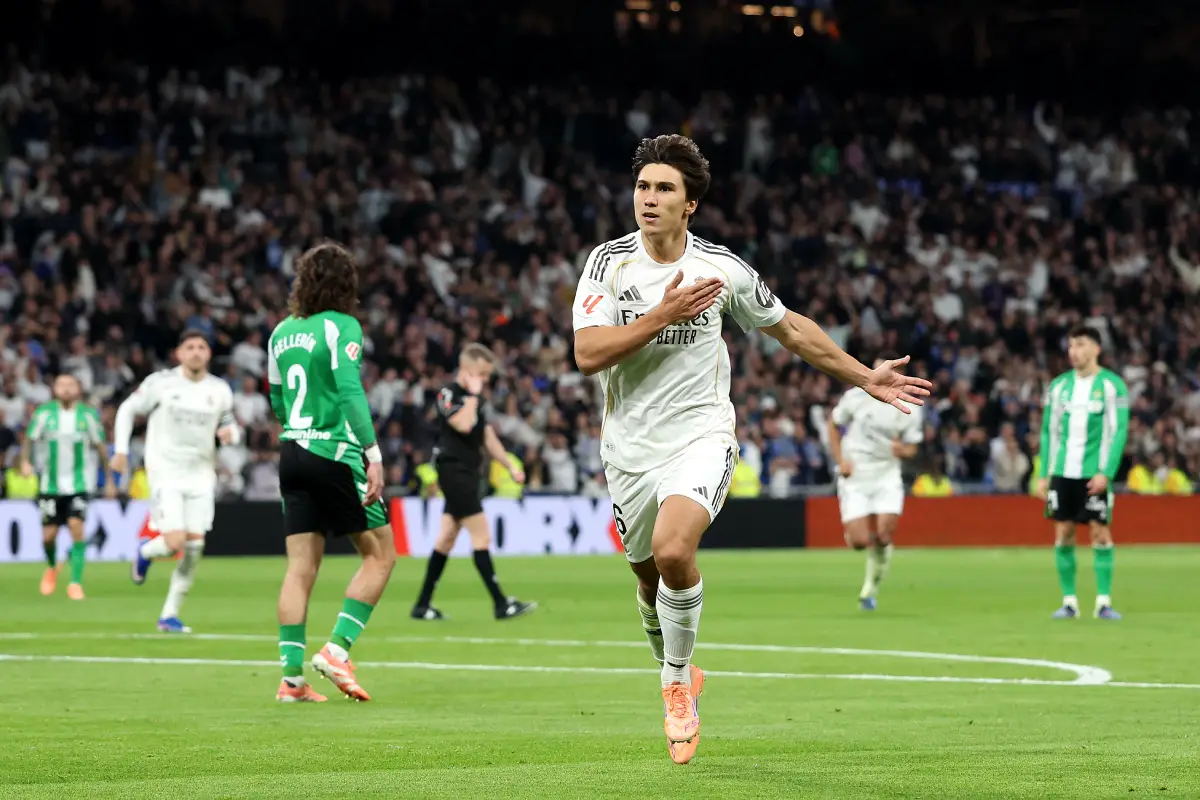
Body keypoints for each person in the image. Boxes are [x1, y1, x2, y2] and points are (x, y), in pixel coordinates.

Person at [571, 134, 931, 765]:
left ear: (690, 206)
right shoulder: (608, 265)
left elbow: (789, 327)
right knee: (647, 577)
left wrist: (862, 376)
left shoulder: (722, 268)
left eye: (664, 190)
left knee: (674, 548)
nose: (648, 200)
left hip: (702, 433)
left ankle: (676, 683)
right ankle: (674, 657)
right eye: (642, 187)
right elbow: (588, 353)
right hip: (628, 447)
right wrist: (662, 313)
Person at [267, 241, 396, 703]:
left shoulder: (280, 333)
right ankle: (337, 650)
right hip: (334, 451)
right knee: (381, 555)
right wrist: (373, 452)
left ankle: (291, 680)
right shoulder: (342, 326)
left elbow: (276, 397)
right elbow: (348, 389)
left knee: (300, 568)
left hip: (291, 452)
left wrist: (296, 432)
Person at [112, 331, 241, 632]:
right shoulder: (161, 383)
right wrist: (120, 450)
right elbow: (127, 409)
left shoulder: (219, 389)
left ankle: (168, 615)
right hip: (165, 471)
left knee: (194, 548)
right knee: (174, 543)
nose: (196, 352)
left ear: (209, 354)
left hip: (201, 474)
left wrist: (231, 436)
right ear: (179, 353)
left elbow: (230, 426)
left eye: (201, 347)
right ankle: (144, 553)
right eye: (190, 347)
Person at [410, 344, 535, 622]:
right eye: (482, 374)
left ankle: (422, 605)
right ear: (467, 371)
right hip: (454, 472)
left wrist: (509, 465)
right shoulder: (449, 394)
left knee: (445, 539)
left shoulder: (475, 399)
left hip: (466, 472)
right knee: (482, 537)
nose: (486, 380)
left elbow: (486, 436)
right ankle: (501, 603)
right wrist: (473, 396)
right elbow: (463, 425)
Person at [1037, 325, 1129, 621]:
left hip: (1095, 473)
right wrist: (1043, 473)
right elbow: (1048, 432)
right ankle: (1069, 602)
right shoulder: (1059, 387)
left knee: (1099, 532)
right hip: (1063, 471)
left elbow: (1119, 432)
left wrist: (1107, 472)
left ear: (1096, 349)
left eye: (1080, 344)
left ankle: (1103, 602)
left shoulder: (1113, 386)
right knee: (1063, 532)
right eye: (1071, 345)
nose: (1073, 351)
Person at [827, 354, 923, 611]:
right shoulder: (855, 397)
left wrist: (902, 450)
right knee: (859, 542)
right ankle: (866, 549)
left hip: (886, 473)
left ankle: (870, 590)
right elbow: (834, 425)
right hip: (856, 473)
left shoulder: (907, 404)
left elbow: (913, 447)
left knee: (884, 534)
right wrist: (840, 461)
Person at [22, 373, 114, 600]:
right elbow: (29, 439)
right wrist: (25, 461)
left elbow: (101, 448)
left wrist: (110, 480)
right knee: (48, 537)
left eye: (70, 384)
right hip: (50, 485)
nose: (65, 388)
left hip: (80, 483)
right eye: (61, 384)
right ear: (54, 388)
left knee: (77, 529)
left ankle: (75, 583)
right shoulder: (44, 414)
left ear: (78, 389)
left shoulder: (88, 415)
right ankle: (52, 567)